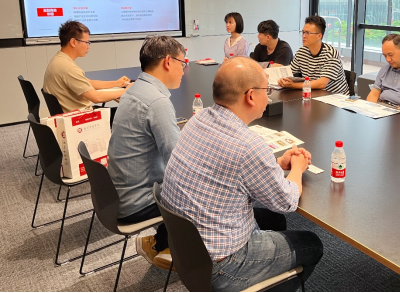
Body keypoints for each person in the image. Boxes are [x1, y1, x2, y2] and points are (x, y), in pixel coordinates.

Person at [161, 57, 324, 292]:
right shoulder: (248, 146)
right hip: (221, 266)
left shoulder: (198, 120)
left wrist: (278, 163)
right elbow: (287, 201)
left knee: (274, 220)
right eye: (267, 90)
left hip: (186, 248)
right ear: (250, 96)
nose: (268, 97)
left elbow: (228, 169)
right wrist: (297, 167)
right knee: (312, 244)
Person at [108, 36, 186, 271]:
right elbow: (179, 163)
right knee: (205, 187)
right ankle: (181, 250)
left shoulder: (135, 90)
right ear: (168, 62)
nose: (184, 70)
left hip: (118, 194)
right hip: (137, 202)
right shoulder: (157, 101)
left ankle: (161, 242)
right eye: (183, 62)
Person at [43, 21, 130, 113]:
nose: (88, 47)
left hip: (74, 115)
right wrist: (126, 91)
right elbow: (96, 97)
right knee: (128, 114)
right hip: (82, 118)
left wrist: (116, 83)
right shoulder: (67, 67)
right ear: (73, 42)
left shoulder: (59, 60)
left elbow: (89, 83)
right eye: (87, 42)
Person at [279, 15, 349, 95]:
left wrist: (293, 85)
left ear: (319, 36)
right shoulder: (301, 52)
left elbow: (322, 84)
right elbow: (289, 73)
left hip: (336, 97)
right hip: (313, 94)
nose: (304, 36)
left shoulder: (331, 53)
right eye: (303, 32)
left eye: (308, 33)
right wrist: (283, 80)